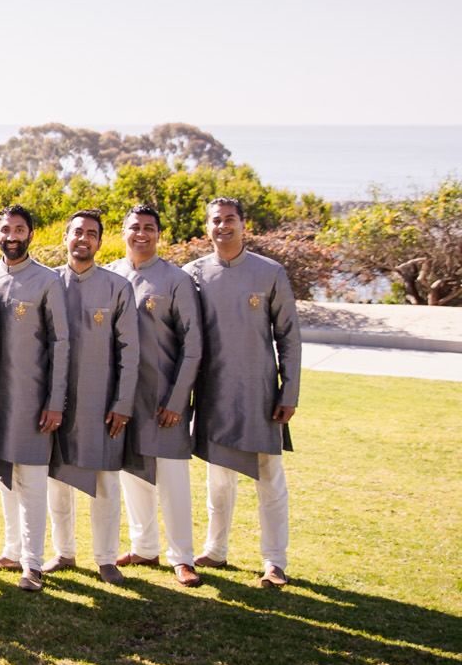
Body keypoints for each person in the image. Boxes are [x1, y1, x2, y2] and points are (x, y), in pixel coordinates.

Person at [186, 197, 301, 587]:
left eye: (230, 220)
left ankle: (275, 561)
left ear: (242, 225)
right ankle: (215, 550)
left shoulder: (270, 272)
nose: (223, 227)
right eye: (216, 221)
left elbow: (288, 336)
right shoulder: (194, 274)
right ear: (207, 228)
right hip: (214, 393)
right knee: (218, 479)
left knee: (269, 478)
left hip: (261, 393)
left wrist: (290, 392)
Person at [108, 203, 204, 586]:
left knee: (173, 477)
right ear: (123, 232)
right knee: (132, 472)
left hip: (163, 395)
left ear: (159, 234)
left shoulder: (175, 279)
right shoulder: (110, 275)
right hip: (119, 396)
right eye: (135, 227)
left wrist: (179, 399)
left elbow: (193, 345)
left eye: (149, 228)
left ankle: (182, 556)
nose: (141, 234)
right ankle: (144, 547)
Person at [0, 205, 70, 592]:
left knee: (32, 480)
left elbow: (60, 343)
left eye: (19, 230)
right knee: (3, 477)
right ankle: (12, 550)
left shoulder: (48, 281)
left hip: (33, 397)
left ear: (31, 234)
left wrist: (55, 400)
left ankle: (32, 564)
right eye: (5, 229)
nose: (11, 236)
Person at [45, 209, 139, 584]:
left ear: (100, 241)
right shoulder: (48, 282)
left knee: (105, 484)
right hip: (54, 402)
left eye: (92, 234)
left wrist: (123, 402)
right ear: (65, 238)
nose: (83, 239)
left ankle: (105, 559)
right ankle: (63, 552)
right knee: (56, 480)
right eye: (77, 232)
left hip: (102, 402)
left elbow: (130, 350)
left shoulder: (118, 287)